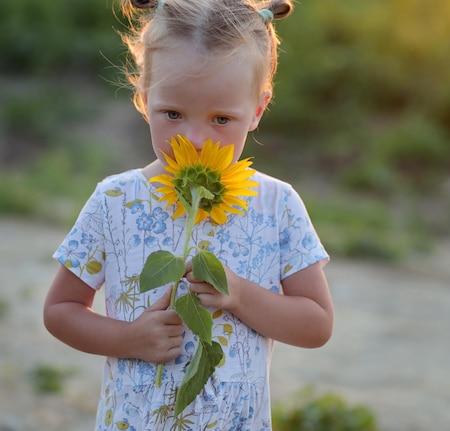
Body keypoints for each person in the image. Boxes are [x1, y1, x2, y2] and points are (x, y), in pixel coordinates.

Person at [43, 0, 334, 429]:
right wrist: (129, 339)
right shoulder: (116, 200)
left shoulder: (277, 205)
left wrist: (237, 294)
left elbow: (317, 324)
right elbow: (61, 310)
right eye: (173, 114)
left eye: (221, 119)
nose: (195, 138)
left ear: (257, 109)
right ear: (144, 97)